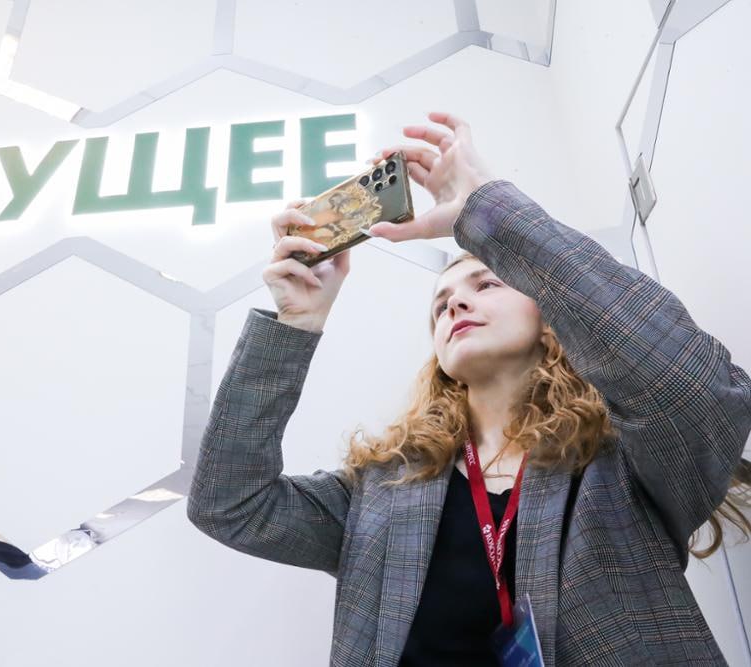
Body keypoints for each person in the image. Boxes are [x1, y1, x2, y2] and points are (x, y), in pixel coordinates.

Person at [186, 111, 751, 665]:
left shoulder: (627, 460)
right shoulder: (383, 489)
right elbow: (230, 504)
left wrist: (487, 209)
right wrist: (296, 324)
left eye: (487, 284)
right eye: (441, 305)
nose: (456, 301)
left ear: (547, 315)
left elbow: (691, 387)